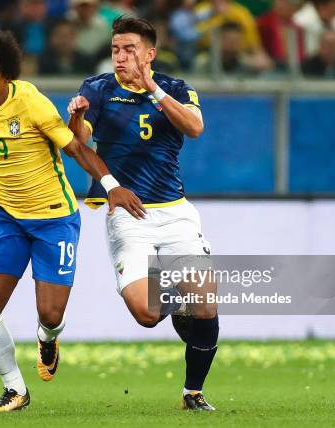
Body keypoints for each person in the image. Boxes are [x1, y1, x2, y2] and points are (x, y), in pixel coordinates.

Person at [0, 29, 143, 412]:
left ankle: (48, 338)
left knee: (50, 315)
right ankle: (15, 390)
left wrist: (110, 184)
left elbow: (76, 148)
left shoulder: (31, 102)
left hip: (55, 220)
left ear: (7, 79)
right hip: (9, 221)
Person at [67, 17, 219, 411]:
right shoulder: (97, 89)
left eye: (129, 48)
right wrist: (77, 118)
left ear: (149, 53)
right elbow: (78, 145)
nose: (120, 56)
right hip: (127, 214)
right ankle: (177, 303)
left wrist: (151, 88)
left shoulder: (175, 88)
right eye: (116, 48)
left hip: (175, 212)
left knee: (206, 303)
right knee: (147, 314)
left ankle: (193, 393)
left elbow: (195, 127)